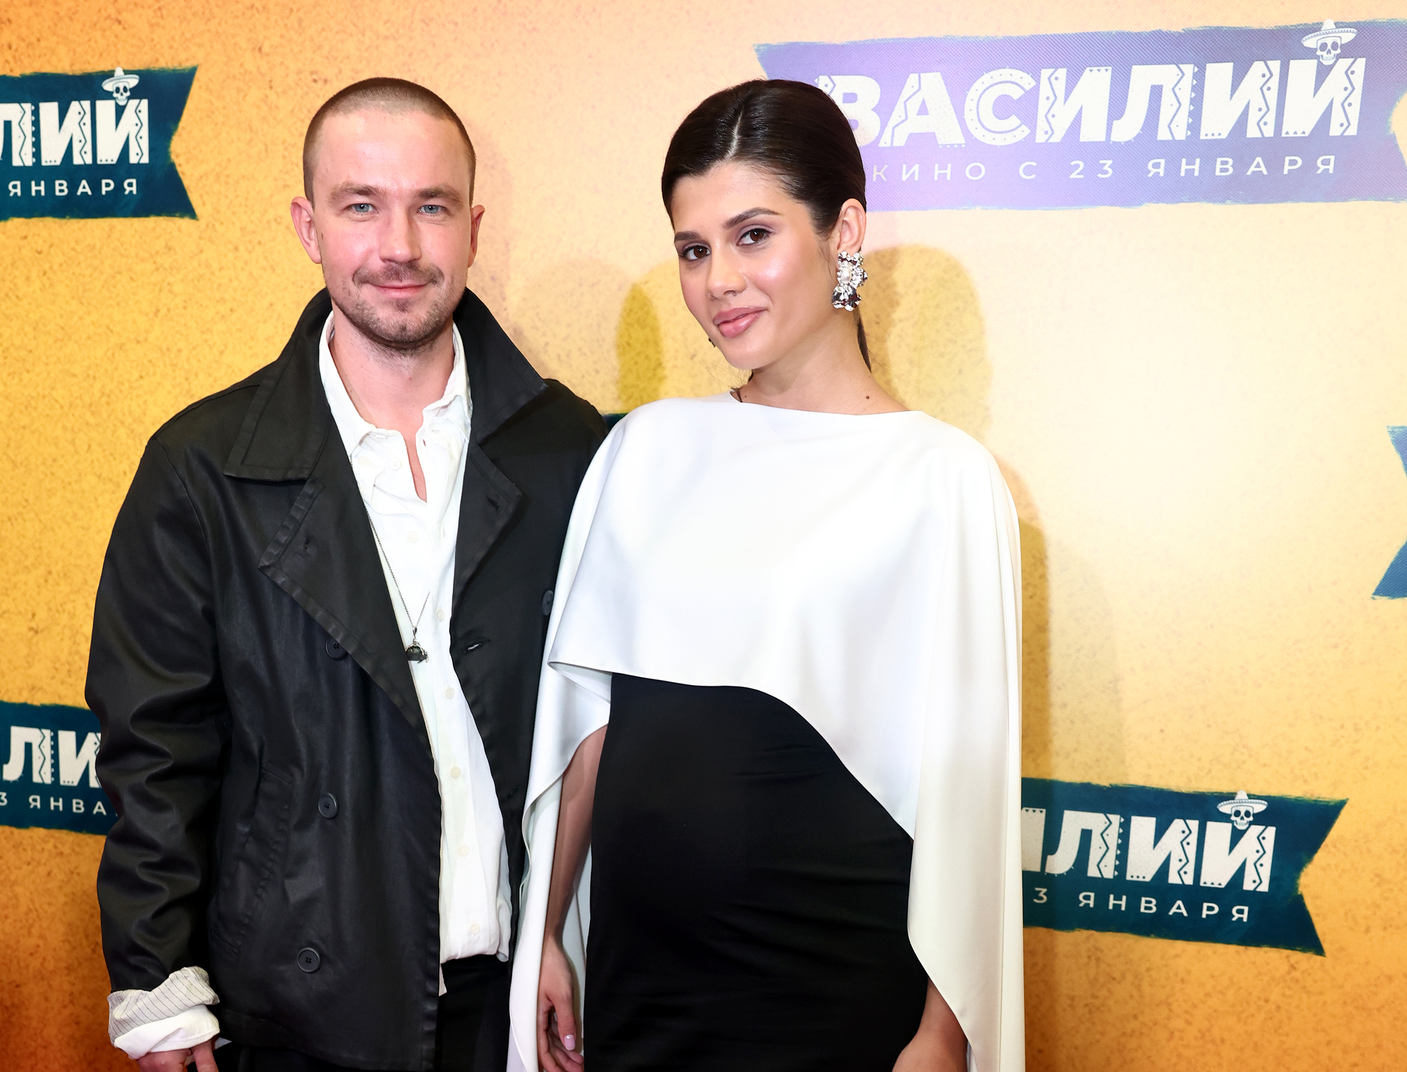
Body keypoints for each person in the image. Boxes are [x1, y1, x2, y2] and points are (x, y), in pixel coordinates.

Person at [88, 77, 606, 1072]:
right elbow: (154, 747)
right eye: (362, 205)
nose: (399, 245)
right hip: (295, 1010)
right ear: (308, 227)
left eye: (431, 206)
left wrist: (566, 935)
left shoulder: (568, 449)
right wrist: (157, 983)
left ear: (473, 228)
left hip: (515, 1006)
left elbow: (597, 732)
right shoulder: (202, 468)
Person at [507, 80, 1024, 1072]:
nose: (719, 282)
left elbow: (967, 786)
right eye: (694, 249)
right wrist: (549, 939)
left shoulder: (943, 479)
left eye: (753, 236)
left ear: (846, 230)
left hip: (832, 989)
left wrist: (942, 1034)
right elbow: (591, 724)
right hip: (639, 991)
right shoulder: (645, 450)